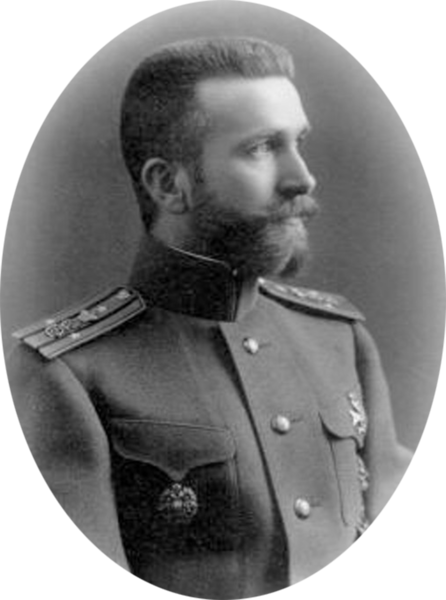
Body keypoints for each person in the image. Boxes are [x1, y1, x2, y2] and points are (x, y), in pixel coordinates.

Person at [4, 37, 415, 598]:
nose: (302, 177)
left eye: (297, 142)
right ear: (167, 185)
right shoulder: (67, 375)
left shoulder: (340, 338)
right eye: (261, 148)